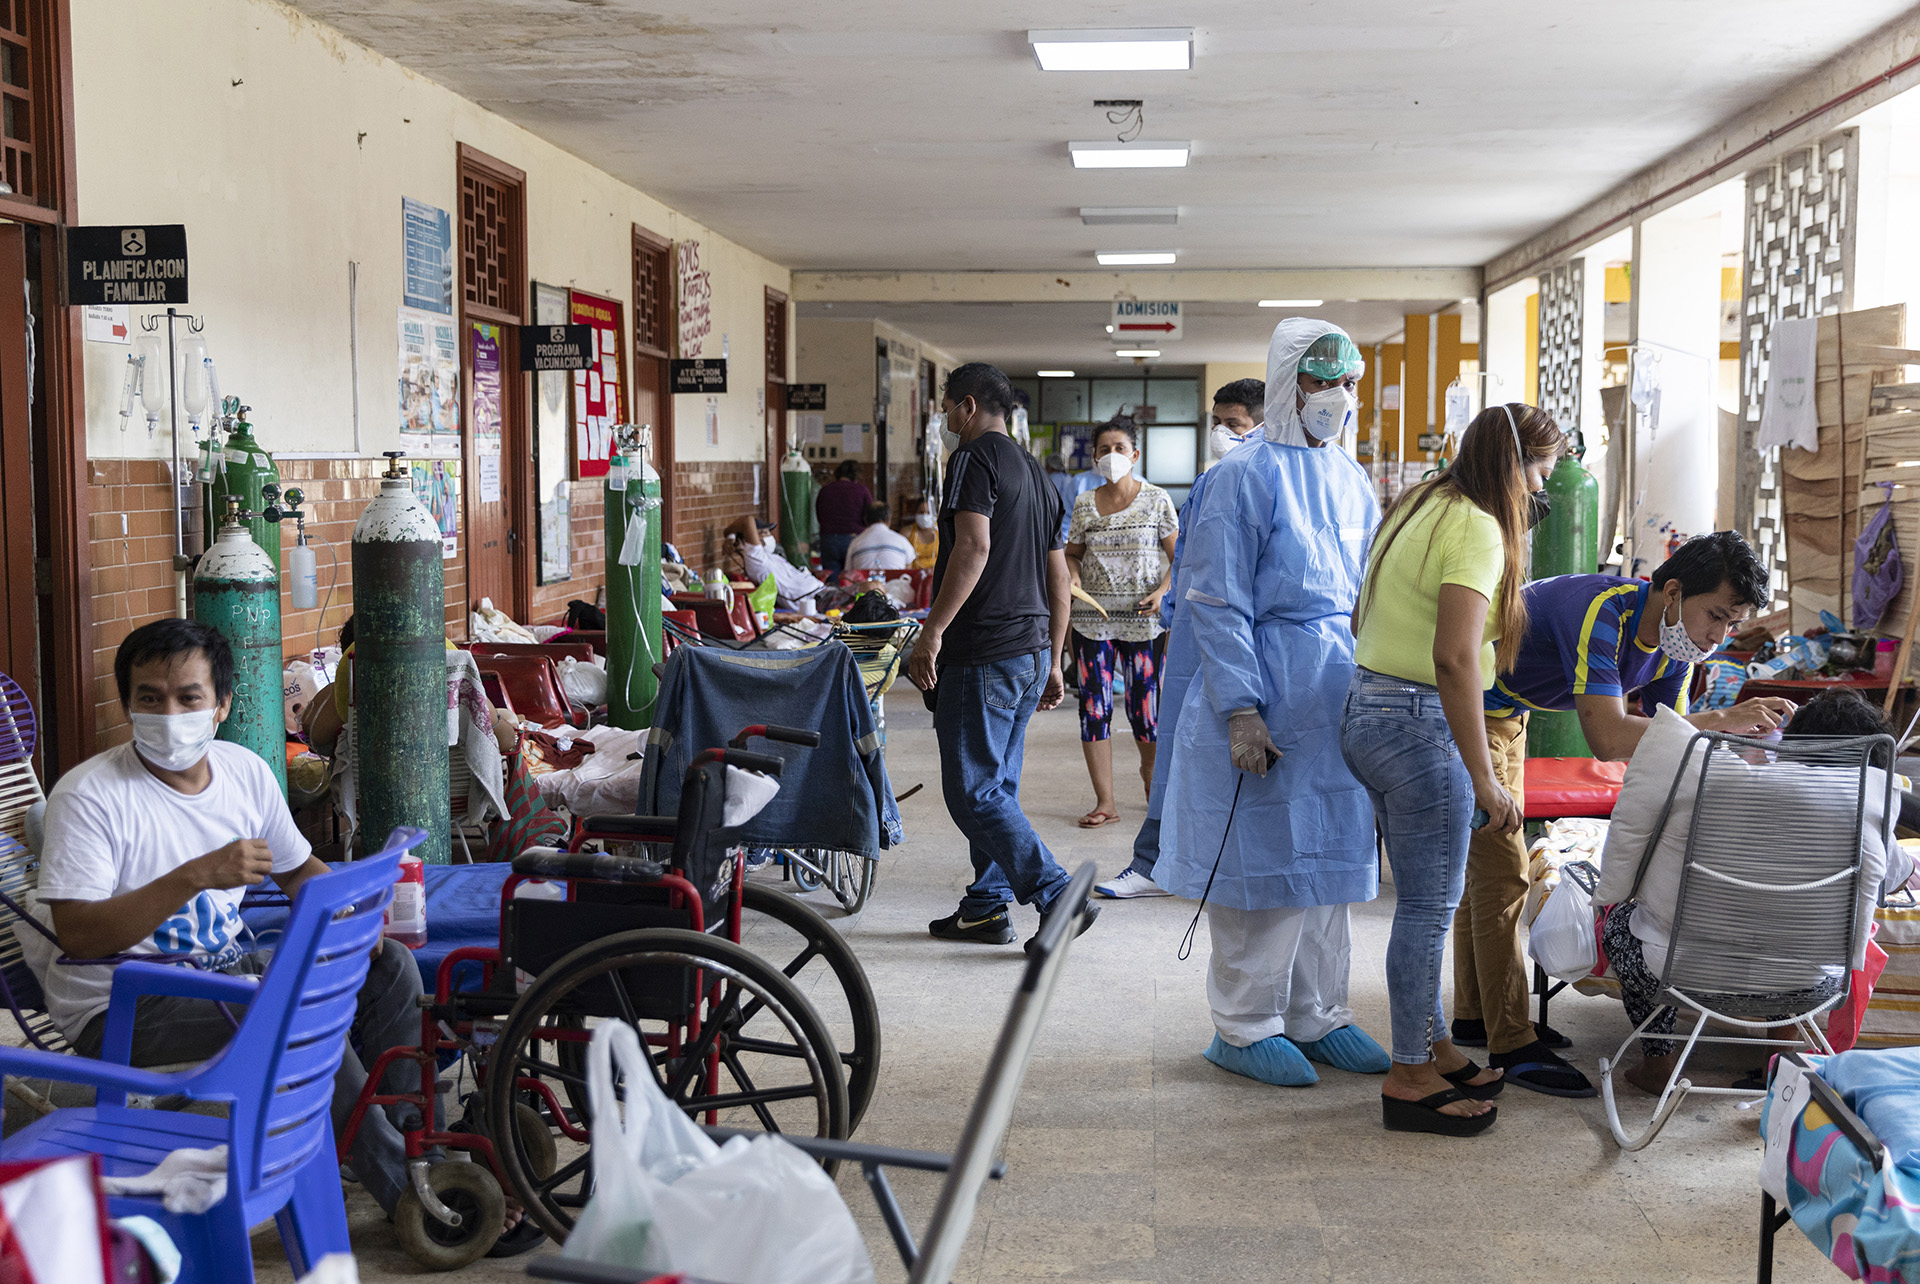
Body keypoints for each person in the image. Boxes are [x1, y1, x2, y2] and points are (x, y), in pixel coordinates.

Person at [19, 619, 456, 1231]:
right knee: (295, 1019)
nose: (168, 714)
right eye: (149, 698)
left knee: (389, 967)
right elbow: (81, 936)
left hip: (221, 971)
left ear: (221, 705)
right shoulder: (90, 797)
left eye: (188, 697)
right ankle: (415, 1201)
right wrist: (194, 876)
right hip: (124, 1003)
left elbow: (301, 870)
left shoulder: (243, 772)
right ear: (127, 705)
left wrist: (351, 916)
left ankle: (417, 1149)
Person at [1451, 531, 1797, 1096]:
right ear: (1673, 591)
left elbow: (1670, 748)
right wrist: (1725, 719)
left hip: (1510, 712)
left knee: (1488, 868)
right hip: (1468, 706)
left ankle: (1474, 1012)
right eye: (1714, 615)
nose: (1718, 636)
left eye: (1731, 625)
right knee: (1503, 871)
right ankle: (1510, 1041)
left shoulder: (1678, 646)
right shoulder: (1602, 613)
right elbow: (1608, 738)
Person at [1156, 322, 1392, 1089]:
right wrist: (1242, 708)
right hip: (1266, 679)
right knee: (1267, 859)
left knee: (1330, 859)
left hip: (1334, 685)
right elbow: (1218, 599)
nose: (1342, 396)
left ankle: (1318, 1013)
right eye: (1327, 378)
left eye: (1351, 380)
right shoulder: (1242, 476)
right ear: (1291, 381)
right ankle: (1244, 1023)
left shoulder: (1351, 477)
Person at [1342, 401, 1564, 1136]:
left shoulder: (1422, 502)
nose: (1540, 491)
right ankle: (1408, 1076)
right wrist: (1483, 774)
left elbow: (1367, 615)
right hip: (1415, 723)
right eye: (1540, 472)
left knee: (1424, 901)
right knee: (1429, 910)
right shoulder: (1476, 526)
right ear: (1513, 466)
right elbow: (1456, 657)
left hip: (1367, 711)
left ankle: (1432, 1044)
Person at [1594, 687, 1912, 1094]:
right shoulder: (1873, 802)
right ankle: (1776, 1067)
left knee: (1622, 919)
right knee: (1808, 937)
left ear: (1792, 740)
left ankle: (1658, 1064)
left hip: (1674, 970)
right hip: (1809, 984)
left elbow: (1633, 869)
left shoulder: (1709, 777)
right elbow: (1893, 877)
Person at [909, 363, 1097, 952]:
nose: (944, 419)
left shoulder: (972, 458)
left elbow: (974, 545)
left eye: (945, 407)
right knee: (998, 786)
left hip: (984, 649)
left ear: (967, 406)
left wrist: (932, 630)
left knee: (974, 790)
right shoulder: (1039, 477)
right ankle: (987, 908)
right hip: (1030, 649)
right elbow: (1058, 576)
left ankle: (1056, 891)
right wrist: (1056, 655)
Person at [1099, 377, 1263, 898]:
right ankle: (1153, 863)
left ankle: (1222, 865)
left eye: (1232, 425)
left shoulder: (1275, 482)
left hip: (1251, 645)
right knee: (1174, 755)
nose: (1220, 434)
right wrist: (1172, 610)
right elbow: (1189, 558)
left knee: (1244, 767)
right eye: (1216, 423)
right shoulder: (1209, 482)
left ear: (1264, 423)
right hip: (1196, 638)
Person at [1064, 419, 1178, 828]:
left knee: (1144, 711)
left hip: (1145, 624)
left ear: (1135, 455)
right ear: (1095, 457)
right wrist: (1072, 573)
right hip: (1092, 621)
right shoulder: (1084, 504)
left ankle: (1150, 773)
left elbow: (1178, 560)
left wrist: (1164, 592)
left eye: (1119, 447)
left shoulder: (1157, 500)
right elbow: (1072, 553)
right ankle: (1105, 801)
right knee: (1094, 708)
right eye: (1104, 448)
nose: (1111, 455)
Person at [726, 514, 824, 610]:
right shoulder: (757, 561)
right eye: (764, 532)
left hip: (822, 590)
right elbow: (747, 520)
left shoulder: (772, 557)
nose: (770, 536)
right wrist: (730, 536)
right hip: (809, 600)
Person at [814, 460, 873, 574]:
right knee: (851, 579)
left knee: (831, 579)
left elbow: (819, 515)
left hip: (828, 539)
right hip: (854, 538)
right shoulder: (861, 490)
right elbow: (870, 515)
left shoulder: (825, 490)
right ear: (856, 475)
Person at [847, 500, 916, 570]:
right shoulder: (902, 541)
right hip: (895, 580)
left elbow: (848, 572)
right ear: (889, 520)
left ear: (865, 520)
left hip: (865, 581)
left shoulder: (855, 544)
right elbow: (909, 568)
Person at [903, 494, 940, 569]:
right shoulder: (907, 532)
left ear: (935, 514)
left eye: (928, 512)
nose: (925, 516)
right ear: (915, 513)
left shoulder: (941, 531)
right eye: (921, 512)